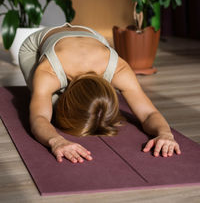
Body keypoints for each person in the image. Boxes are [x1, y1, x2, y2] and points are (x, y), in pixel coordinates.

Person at [19, 22, 181, 164]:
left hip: (91, 36)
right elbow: (39, 118)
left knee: (94, 112)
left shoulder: (119, 69)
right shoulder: (48, 72)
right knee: (51, 110)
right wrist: (56, 141)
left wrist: (165, 133)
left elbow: (148, 113)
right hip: (38, 43)